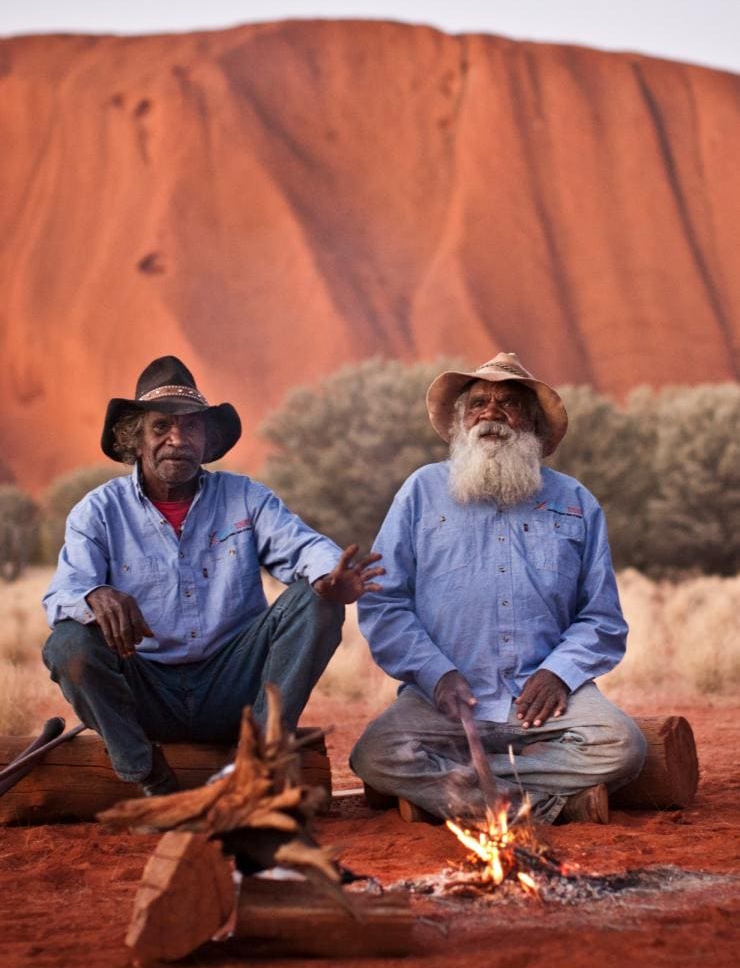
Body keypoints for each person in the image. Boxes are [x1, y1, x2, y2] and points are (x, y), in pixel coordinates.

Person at [43, 356, 383, 796]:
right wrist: (95, 596)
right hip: (147, 693)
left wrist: (328, 577)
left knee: (318, 601)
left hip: (235, 688)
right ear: (137, 440)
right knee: (69, 644)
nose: (177, 440)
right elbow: (61, 596)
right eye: (161, 427)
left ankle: (259, 761)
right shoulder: (99, 511)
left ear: (207, 440)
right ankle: (147, 776)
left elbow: (304, 547)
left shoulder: (245, 498)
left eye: (192, 428)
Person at [351, 352, 646, 825]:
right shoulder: (421, 491)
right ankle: (548, 801)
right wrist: (435, 673)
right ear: (459, 421)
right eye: (479, 402)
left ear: (531, 423)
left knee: (623, 746)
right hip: (447, 698)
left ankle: (465, 792)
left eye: (508, 403)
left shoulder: (575, 502)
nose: (491, 413)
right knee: (375, 754)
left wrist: (559, 673)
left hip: (544, 701)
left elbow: (601, 617)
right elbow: (385, 600)